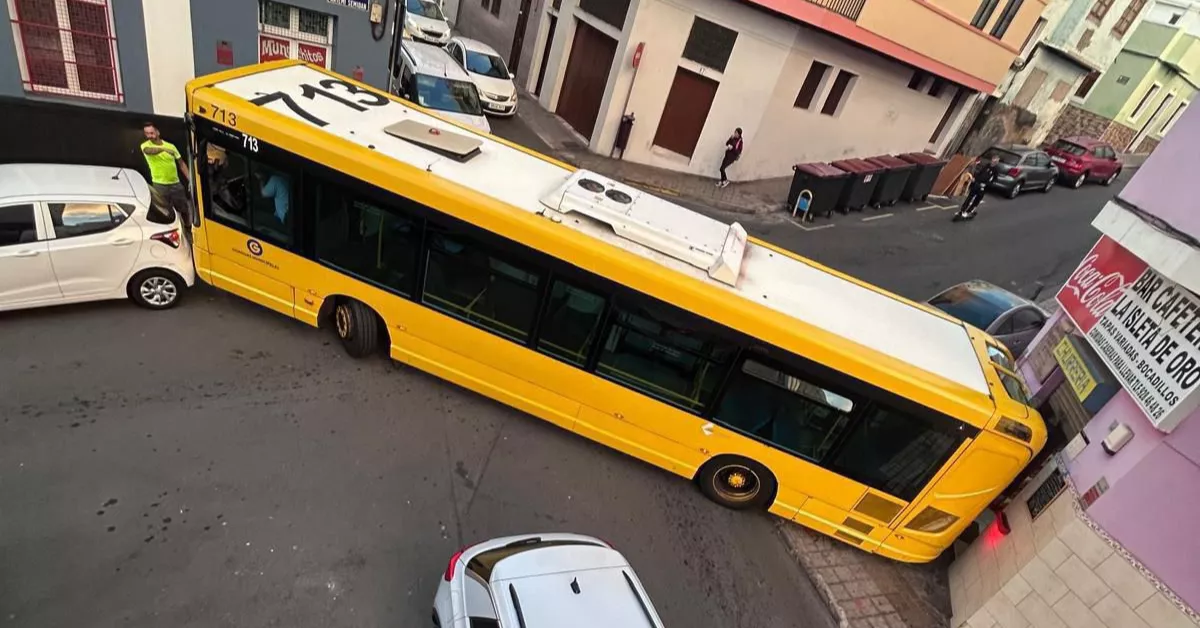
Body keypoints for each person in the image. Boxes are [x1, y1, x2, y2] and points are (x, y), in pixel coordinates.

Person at [140, 123, 191, 225]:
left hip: (175, 184)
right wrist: (163, 149)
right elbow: (149, 151)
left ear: (158, 132)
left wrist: (190, 180)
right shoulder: (145, 145)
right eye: (147, 133)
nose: (150, 136)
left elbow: (181, 164)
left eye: (152, 133)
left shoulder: (171, 146)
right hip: (160, 185)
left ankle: (188, 227)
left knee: (184, 208)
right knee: (164, 212)